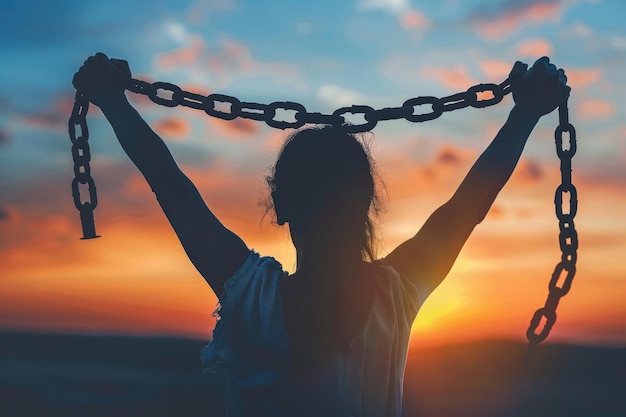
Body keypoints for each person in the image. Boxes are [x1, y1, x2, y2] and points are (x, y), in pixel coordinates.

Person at [73, 54, 570, 417]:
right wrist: (525, 112)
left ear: (283, 208)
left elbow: (173, 189)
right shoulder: (395, 295)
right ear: (366, 210)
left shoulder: (250, 295)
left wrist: (113, 101)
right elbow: (466, 207)